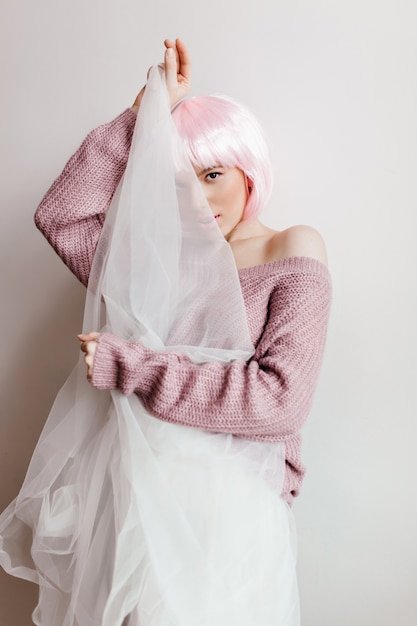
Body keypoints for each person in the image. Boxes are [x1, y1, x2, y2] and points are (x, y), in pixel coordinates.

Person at [1, 39, 331, 625]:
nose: (199, 200)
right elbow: (62, 215)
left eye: (212, 174)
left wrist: (134, 366)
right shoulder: (160, 267)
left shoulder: (292, 249)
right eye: (179, 181)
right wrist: (142, 117)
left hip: (226, 510)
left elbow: (278, 402)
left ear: (247, 170)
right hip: (132, 499)